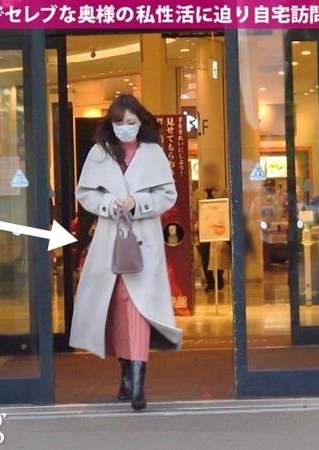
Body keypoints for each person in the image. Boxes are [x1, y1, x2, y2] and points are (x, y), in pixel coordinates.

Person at [68, 94, 183, 411]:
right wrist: (109, 204)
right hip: (110, 238)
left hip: (144, 240)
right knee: (116, 304)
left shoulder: (153, 153)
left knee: (138, 305)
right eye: (119, 123)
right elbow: (85, 193)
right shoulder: (99, 153)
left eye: (131, 122)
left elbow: (168, 194)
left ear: (141, 122)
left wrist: (138, 203)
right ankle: (126, 376)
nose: (125, 128)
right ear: (111, 124)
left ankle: (137, 383)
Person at [191, 162, 227, 291]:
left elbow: (226, 209)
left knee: (219, 255)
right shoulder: (198, 194)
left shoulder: (223, 192)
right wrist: (193, 228)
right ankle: (210, 281)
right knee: (205, 255)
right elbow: (194, 212)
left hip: (219, 229)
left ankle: (219, 277)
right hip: (203, 230)